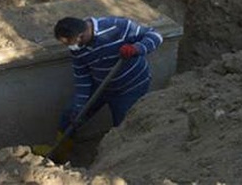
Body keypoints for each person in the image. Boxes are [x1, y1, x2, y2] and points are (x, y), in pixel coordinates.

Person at [52, 15, 163, 160]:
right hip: (101, 86)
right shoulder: (77, 48)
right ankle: (59, 154)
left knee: (123, 126)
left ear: (80, 35)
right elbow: (82, 78)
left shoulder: (117, 26)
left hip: (130, 87)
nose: (70, 47)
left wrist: (137, 48)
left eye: (70, 43)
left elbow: (155, 35)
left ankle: (120, 160)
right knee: (70, 115)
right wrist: (79, 107)